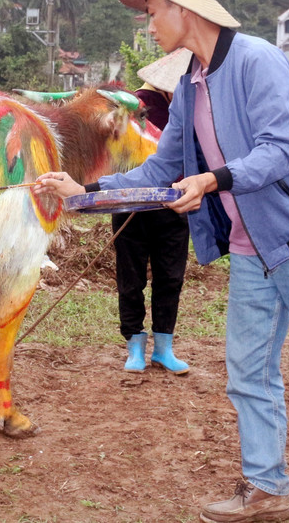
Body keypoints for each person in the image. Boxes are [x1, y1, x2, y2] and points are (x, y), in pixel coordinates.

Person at [33, 0, 289, 523]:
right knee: (249, 375)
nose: (148, 24)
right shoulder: (190, 84)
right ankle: (266, 489)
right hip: (253, 254)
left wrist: (211, 180)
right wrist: (84, 191)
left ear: (184, 8)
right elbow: (162, 168)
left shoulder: (258, 61)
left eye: (153, 10)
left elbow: (280, 151)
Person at [114, 71, 190, 375]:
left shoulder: (185, 106)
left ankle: (162, 348)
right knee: (134, 278)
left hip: (174, 202)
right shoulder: (132, 107)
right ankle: (136, 347)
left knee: (169, 277)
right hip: (132, 202)